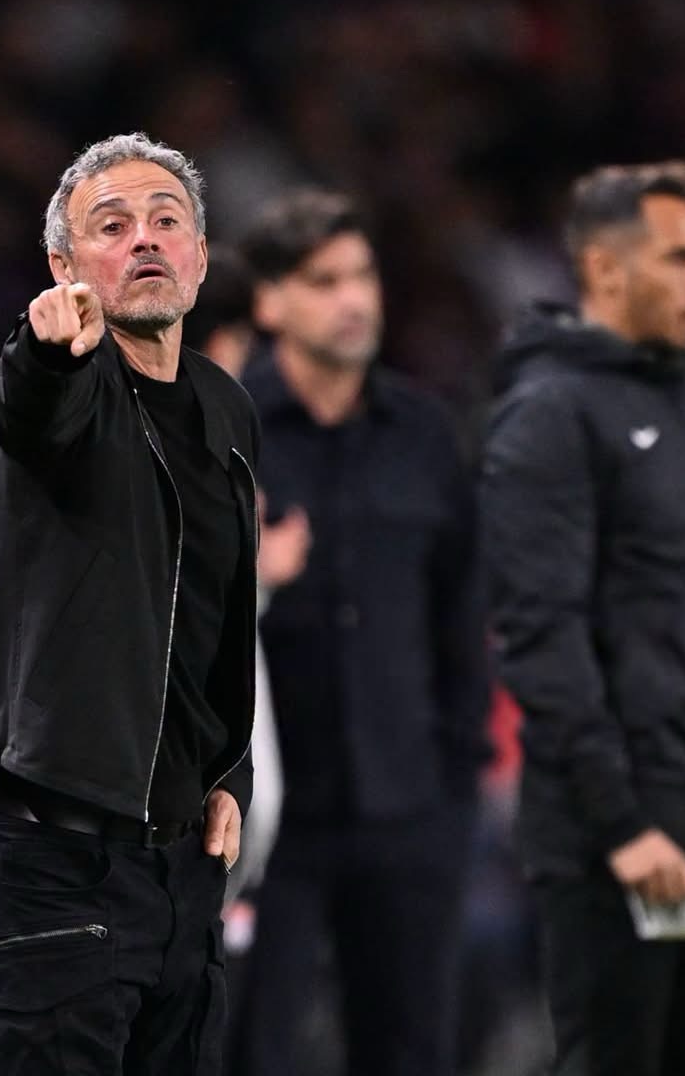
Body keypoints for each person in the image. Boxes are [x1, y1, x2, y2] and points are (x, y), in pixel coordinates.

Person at [0, 132, 260, 1075]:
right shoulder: (61, 379)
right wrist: (47, 348)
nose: (145, 240)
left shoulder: (225, 408)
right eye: (112, 226)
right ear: (64, 265)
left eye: (166, 221)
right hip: (53, 861)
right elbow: (32, 405)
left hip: (180, 873)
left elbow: (215, 614)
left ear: (199, 256)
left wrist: (230, 771)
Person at [236, 186, 489, 1076]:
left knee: (410, 1050)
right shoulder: (226, 429)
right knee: (249, 1050)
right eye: (323, 280)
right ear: (270, 302)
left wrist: (456, 780)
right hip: (267, 821)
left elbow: (461, 611)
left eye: (362, 276)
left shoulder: (424, 432)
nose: (352, 299)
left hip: (410, 806)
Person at [481, 161, 685, 1076]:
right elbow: (543, 636)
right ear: (607, 270)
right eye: (681, 259)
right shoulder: (549, 416)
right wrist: (622, 824)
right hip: (624, 832)